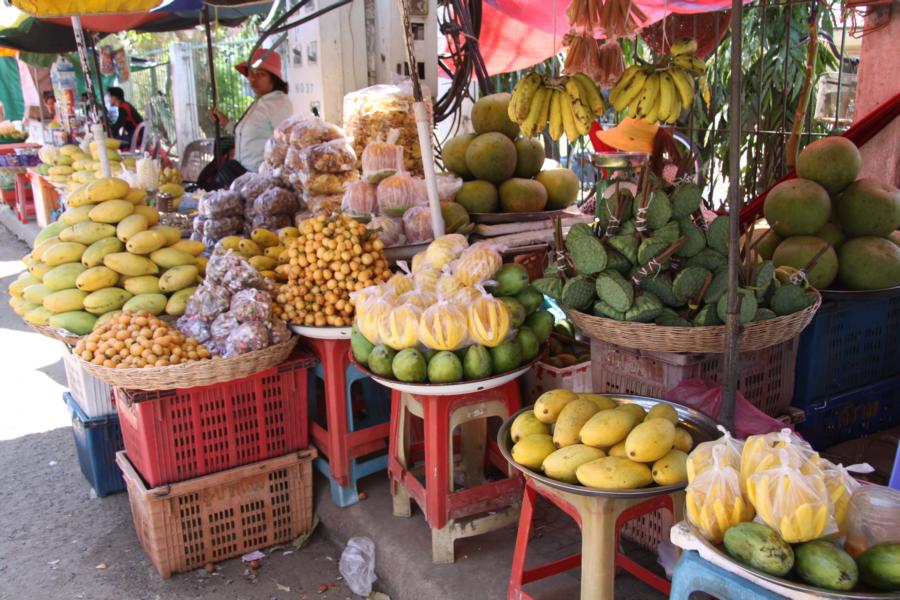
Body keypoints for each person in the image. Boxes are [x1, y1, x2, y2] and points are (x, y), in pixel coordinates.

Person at [208, 48, 293, 187]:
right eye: (251, 73)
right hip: (243, 177)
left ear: (274, 78)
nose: (253, 79)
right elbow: (253, 133)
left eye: (260, 74)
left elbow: (285, 143)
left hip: (260, 180)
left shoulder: (278, 103)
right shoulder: (261, 102)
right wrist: (226, 123)